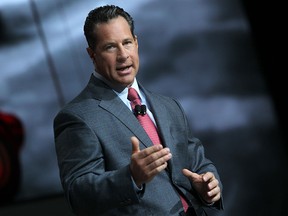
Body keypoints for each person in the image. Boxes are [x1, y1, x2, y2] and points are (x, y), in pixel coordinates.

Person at [53, 4, 224, 216]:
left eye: (126, 43)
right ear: (92, 54)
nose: (123, 55)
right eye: (110, 47)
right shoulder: (78, 116)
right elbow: (79, 195)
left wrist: (208, 185)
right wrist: (131, 177)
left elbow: (199, 163)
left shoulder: (168, 106)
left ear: (136, 43)